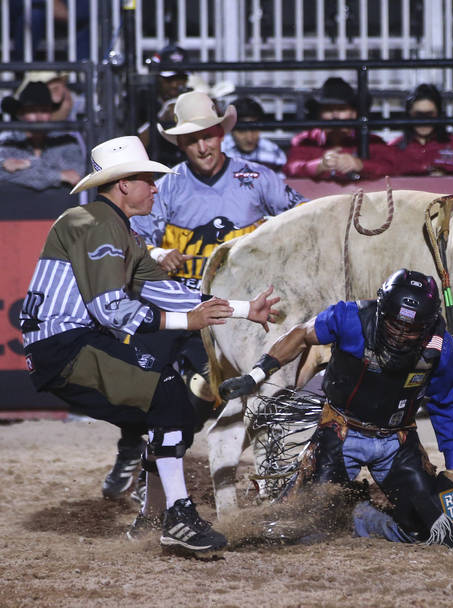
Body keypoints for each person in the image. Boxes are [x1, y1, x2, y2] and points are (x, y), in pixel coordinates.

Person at [19, 135, 280, 555]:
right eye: (148, 180)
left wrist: (246, 308)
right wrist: (187, 321)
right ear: (123, 184)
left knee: (165, 411)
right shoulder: (94, 224)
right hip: (65, 344)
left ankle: (156, 517)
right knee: (169, 395)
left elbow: (170, 292)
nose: (156, 189)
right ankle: (175, 515)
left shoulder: (115, 230)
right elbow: (110, 309)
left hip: (67, 344)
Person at [105, 90, 305, 501]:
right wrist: (157, 252)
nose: (203, 146)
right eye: (193, 138)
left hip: (243, 315)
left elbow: (301, 219)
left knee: (224, 395)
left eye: (209, 135)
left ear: (221, 133)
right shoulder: (167, 187)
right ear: (180, 143)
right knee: (171, 389)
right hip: (183, 308)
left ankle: (161, 472)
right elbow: (133, 235)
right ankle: (140, 457)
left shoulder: (257, 178)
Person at [219, 269, 453, 549]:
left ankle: (361, 518)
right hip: (341, 432)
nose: (402, 336)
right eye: (395, 326)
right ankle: (340, 511)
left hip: (397, 440)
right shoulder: (350, 317)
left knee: (447, 530)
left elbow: (446, 403)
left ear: (427, 325)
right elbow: (301, 335)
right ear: (381, 312)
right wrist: (254, 376)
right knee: (301, 527)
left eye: (412, 330)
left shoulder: (441, 345)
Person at [284, 77, 394, 182]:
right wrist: (319, 165)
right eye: (328, 109)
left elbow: (395, 166)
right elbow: (290, 168)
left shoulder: (372, 141)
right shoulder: (306, 140)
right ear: (319, 114)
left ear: (354, 113)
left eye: (342, 109)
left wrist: (360, 165)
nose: (335, 115)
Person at [0, 81, 84, 191]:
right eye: (32, 110)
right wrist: (59, 175)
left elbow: (77, 175)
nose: (39, 117)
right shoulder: (8, 142)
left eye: (44, 110)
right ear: (22, 113)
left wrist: (26, 164)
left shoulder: (66, 142)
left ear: (51, 112)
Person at [388, 84, 453, 176]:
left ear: (439, 115)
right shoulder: (393, 149)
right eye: (418, 115)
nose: (424, 121)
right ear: (409, 115)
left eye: (429, 115)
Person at [137, 44, 191, 168]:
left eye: (181, 78)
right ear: (158, 77)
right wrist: (161, 118)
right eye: (169, 79)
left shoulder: (192, 97)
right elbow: (134, 148)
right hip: (153, 168)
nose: (175, 84)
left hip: (187, 168)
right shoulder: (143, 100)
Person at [221, 96, 287, 174]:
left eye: (254, 129)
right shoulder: (220, 150)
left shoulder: (273, 151)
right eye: (242, 130)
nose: (249, 138)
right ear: (231, 130)